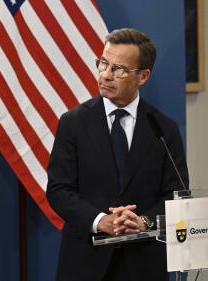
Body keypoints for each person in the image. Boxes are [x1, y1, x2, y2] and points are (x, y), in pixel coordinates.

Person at [46, 28, 188, 281]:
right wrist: (100, 220)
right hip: (85, 263)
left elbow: (177, 194)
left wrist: (145, 221)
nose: (106, 75)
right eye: (103, 64)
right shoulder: (73, 123)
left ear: (143, 76)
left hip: (143, 264)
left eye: (119, 69)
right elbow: (59, 190)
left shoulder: (163, 128)